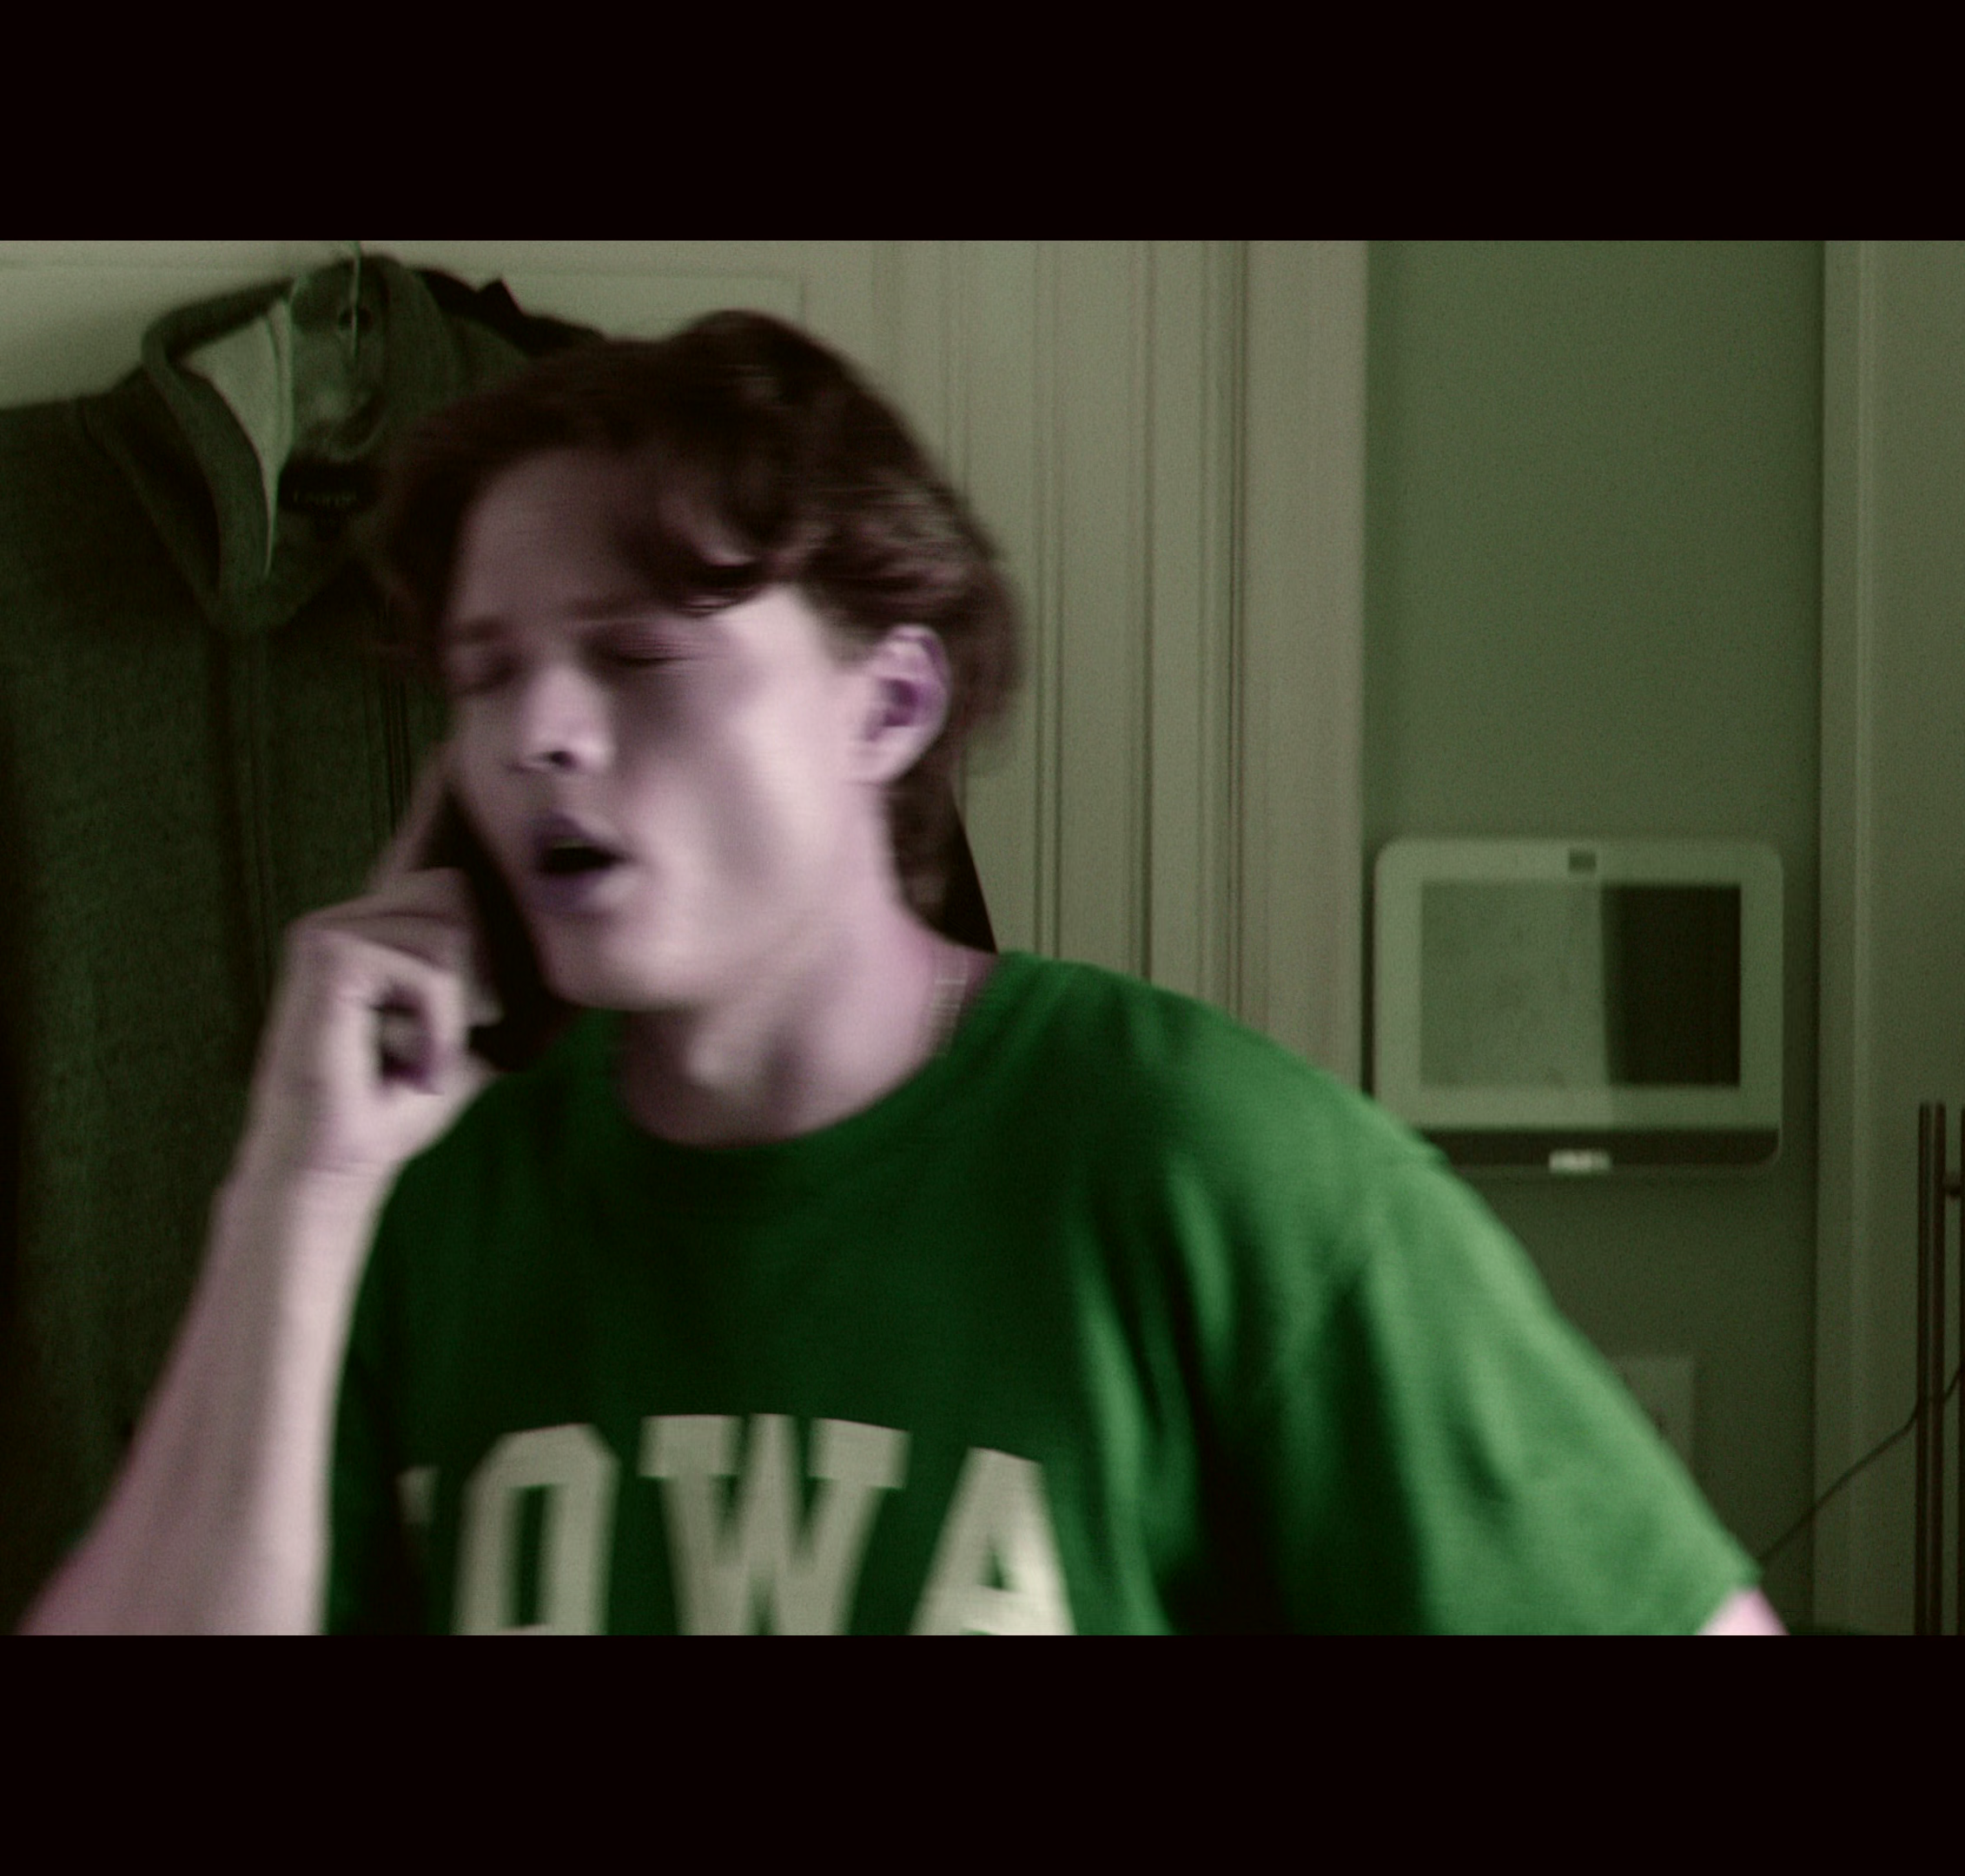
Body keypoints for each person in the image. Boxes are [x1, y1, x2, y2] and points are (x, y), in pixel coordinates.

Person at [25, 311, 1777, 1635]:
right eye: (487, 673)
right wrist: (298, 1191)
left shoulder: (1205, 1163)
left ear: (890, 704)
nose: (537, 732)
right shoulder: (432, 1208)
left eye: (637, 653)